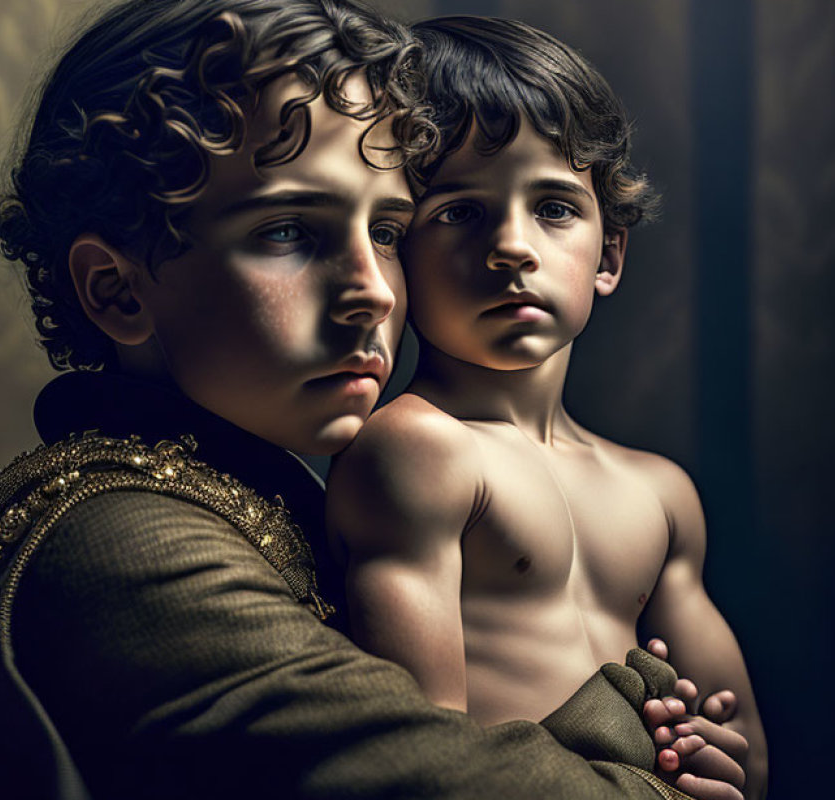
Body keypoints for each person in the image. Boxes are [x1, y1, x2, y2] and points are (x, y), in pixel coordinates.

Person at [0, 1, 739, 798]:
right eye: (289, 231)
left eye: (386, 232)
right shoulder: (116, 540)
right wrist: (652, 762)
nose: (373, 293)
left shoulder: (252, 494)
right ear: (116, 290)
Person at [326, 15, 767, 800]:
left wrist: (708, 758)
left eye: (556, 208)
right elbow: (426, 758)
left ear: (610, 255)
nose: (513, 247)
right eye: (458, 212)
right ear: (395, 247)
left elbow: (749, 760)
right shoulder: (421, 453)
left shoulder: (661, 494)